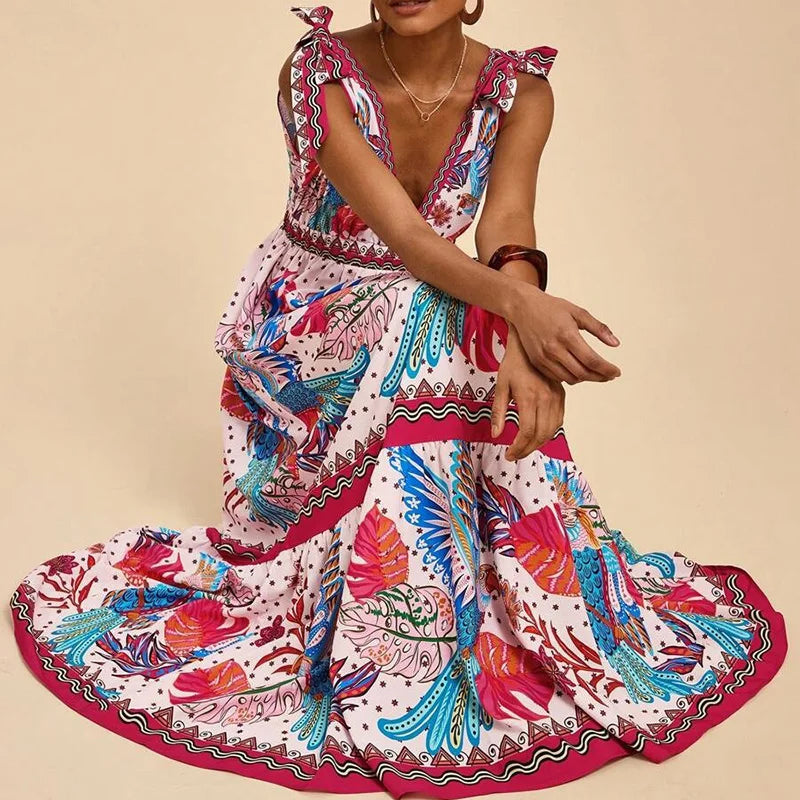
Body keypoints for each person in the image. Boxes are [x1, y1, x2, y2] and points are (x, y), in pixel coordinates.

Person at [9, 2, 787, 798]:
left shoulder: (520, 91)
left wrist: (525, 339)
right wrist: (523, 315)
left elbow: (507, 226)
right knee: (442, 316)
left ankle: (505, 595)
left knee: (461, 322)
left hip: (440, 310)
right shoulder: (318, 72)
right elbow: (410, 241)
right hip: (311, 329)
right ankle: (411, 635)